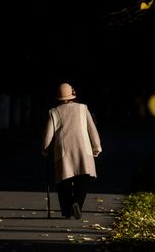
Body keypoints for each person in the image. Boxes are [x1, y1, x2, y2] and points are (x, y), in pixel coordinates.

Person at [42, 82, 102, 219]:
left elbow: (48, 134)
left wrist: (45, 149)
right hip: (83, 149)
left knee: (64, 181)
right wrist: (96, 147)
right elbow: (92, 129)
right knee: (84, 178)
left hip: (63, 150)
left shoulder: (54, 112)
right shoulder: (82, 108)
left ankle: (66, 211)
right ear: (73, 94)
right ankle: (76, 202)